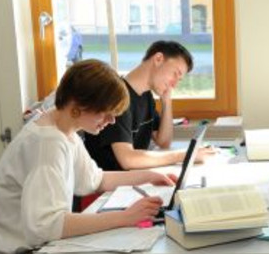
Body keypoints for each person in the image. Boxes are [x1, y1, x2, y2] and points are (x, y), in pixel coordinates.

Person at [0, 59, 178, 254]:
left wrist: (149, 176)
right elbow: (46, 225)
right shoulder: (48, 144)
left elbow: (94, 180)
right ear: (78, 107)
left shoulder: (64, 130)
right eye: (106, 112)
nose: (111, 121)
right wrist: (124, 218)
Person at [84, 40, 215, 171]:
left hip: (130, 180)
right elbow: (127, 160)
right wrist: (185, 155)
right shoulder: (116, 96)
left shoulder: (146, 96)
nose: (174, 84)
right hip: (107, 186)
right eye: (175, 74)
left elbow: (163, 142)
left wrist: (166, 101)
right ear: (158, 59)